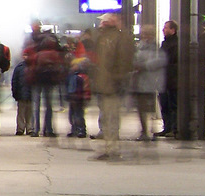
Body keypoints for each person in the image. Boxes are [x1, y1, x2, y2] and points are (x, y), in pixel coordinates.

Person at [89, 12, 135, 160]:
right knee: (107, 117)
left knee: (112, 117)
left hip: (112, 84)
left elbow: (124, 61)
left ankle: (113, 149)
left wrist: (118, 79)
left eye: (103, 22)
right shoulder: (104, 38)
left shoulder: (118, 38)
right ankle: (109, 147)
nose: (101, 24)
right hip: (104, 84)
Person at [23, 20, 65, 137]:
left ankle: (35, 129)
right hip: (49, 77)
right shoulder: (51, 44)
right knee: (48, 104)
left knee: (36, 104)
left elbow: (27, 58)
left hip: (36, 76)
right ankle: (48, 129)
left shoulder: (32, 43)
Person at [132, 25, 166, 142]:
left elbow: (160, 61)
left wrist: (144, 66)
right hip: (140, 82)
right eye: (144, 34)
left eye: (147, 34)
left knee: (149, 108)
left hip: (150, 82)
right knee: (141, 108)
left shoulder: (156, 49)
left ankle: (149, 131)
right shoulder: (140, 48)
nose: (145, 36)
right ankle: (145, 131)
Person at [157, 20, 179, 138]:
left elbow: (171, 62)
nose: (163, 30)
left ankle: (174, 128)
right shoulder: (165, 44)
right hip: (164, 80)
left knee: (173, 105)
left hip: (172, 80)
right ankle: (167, 127)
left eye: (166, 28)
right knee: (164, 104)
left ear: (173, 30)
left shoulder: (176, 44)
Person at [64, 52, 91, 138]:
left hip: (78, 97)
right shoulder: (70, 75)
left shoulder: (81, 76)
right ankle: (74, 129)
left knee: (79, 114)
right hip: (73, 97)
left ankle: (81, 130)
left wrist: (86, 97)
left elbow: (85, 87)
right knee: (72, 114)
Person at [10, 59, 32, 135]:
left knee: (25, 112)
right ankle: (24, 128)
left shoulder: (19, 67)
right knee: (23, 112)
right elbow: (14, 81)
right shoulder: (31, 67)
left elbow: (14, 81)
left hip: (26, 94)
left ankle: (25, 128)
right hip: (23, 94)